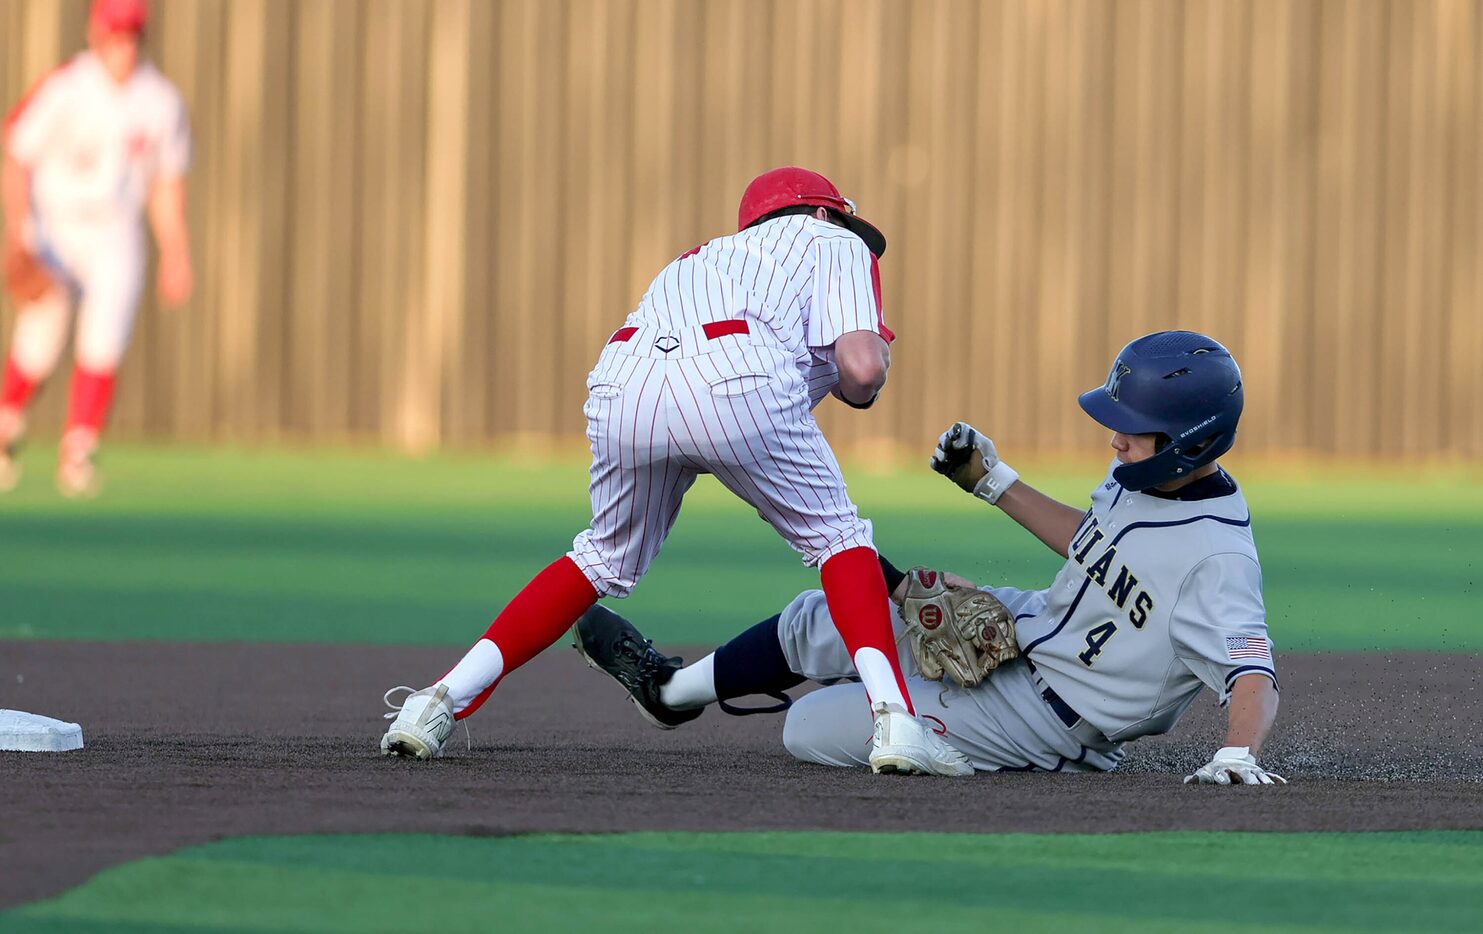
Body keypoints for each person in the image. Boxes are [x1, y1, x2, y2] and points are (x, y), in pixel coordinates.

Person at [380, 166, 972, 777]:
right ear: (823, 212)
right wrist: (876, 367)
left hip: (622, 379)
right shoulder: (833, 241)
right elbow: (861, 370)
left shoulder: (703, 259)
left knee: (598, 558)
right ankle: (898, 724)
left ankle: (434, 704)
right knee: (839, 539)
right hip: (736, 372)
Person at [573, 330, 1287, 785]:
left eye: (1133, 429)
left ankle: (936, 732)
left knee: (812, 726)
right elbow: (1093, 543)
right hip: (1024, 631)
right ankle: (669, 694)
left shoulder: (1216, 558)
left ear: (1191, 438)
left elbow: (1251, 673)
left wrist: (1237, 753)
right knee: (823, 617)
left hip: (1047, 723)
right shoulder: (1144, 478)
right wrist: (992, 483)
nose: (1114, 438)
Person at [0, 0, 193, 497]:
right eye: (116, 33)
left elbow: (166, 184)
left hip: (116, 230)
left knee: (105, 339)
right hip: (55, 227)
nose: (123, 45)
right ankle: (5, 424)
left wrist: (176, 252)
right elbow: (15, 152)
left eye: (131, 35)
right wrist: (19, 233)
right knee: (41, 342)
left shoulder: (161, 101)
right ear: (96, 32)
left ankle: (78, 451)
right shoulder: (67, 87)